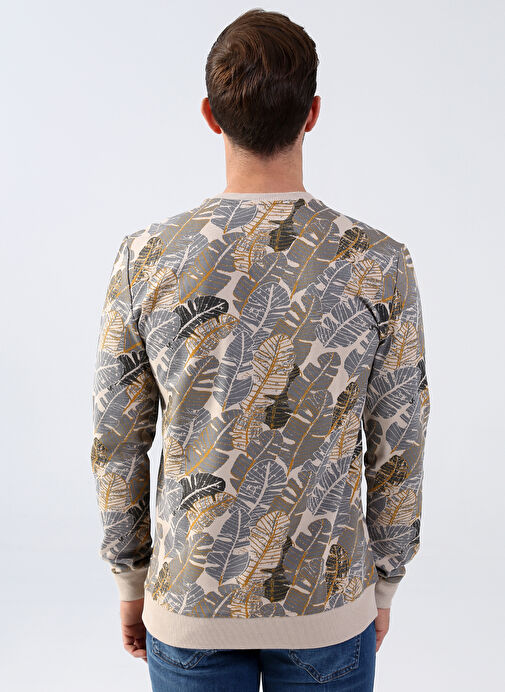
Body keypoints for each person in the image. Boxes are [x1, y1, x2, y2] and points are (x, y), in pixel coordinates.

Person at [90, 8, 430, 691]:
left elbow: (116, 438)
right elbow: (401, 437)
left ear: (210, 117)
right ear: (313, 114)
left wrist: (131, 578)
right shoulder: (377, 262)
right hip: (327, 608)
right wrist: (384, 584)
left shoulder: (147, 259)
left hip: (190, 604)